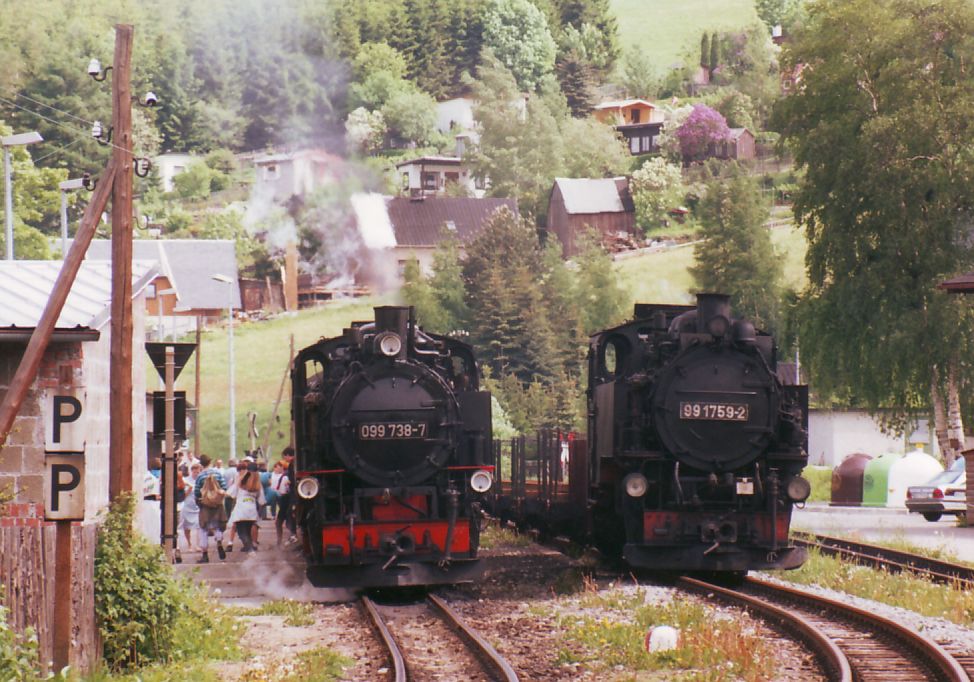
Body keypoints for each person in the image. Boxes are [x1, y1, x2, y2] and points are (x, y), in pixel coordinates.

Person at [194, 454, 228, 563]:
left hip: (205, 505)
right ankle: (219, 541)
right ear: (210, 462)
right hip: (217, 504)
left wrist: (199, 501)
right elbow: (224, 487)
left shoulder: (200, 476)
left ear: (201, 464)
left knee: (203, 528)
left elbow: (197, 492)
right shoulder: (217, 473)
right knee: (218, 525)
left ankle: (205, 554)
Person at [227, 469, 265, 552]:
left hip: (240, 512)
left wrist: (237, 482)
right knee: (248, 531)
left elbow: (230, 493)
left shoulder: (240, 484)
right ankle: (249, 547)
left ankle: (250, 549)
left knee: (242, 533)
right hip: (252, 512)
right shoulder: (258, 486)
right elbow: (262, 501)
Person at [179, 462, 202, 550]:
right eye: (194, 472)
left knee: (199, 526)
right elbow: (183, 495)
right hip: (187, 505)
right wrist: (189, 489)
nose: (196, 474)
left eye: (198, 472)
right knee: (187, 527)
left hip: (197, 506)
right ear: (191, 471)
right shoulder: (186, 480)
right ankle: (189, 544)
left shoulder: (201, 481)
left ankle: (198, 545)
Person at [274, 454, 294, 546]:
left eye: (278, 466)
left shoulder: (285, 477)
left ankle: (280, 540)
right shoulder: (285, 476)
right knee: (284, 520)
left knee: (280, 521)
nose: (276, 468)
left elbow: (283, 490)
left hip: (285, 499)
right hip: (287, 499)